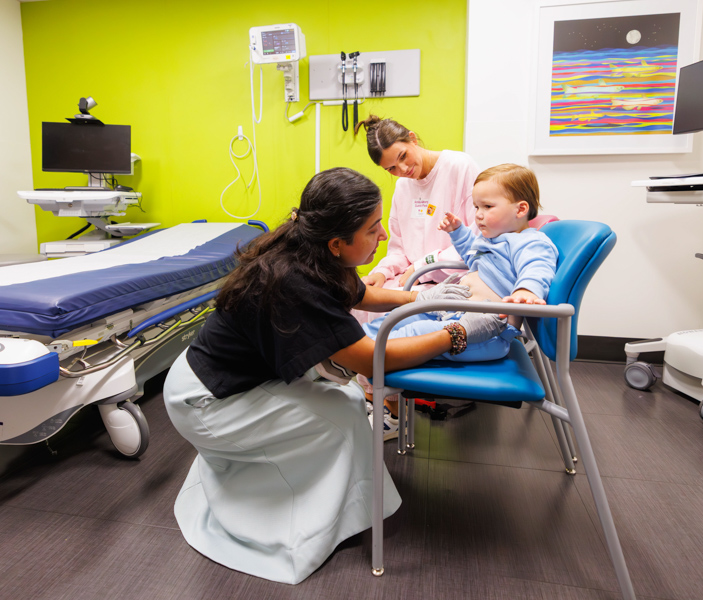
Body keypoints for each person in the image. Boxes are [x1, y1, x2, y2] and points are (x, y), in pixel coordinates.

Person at [162, 167, 506, 585]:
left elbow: (360, 293)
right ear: (338, 242)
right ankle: (289, 521)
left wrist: (419, 297)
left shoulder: (313, 250)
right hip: (207, 402)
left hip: (219, 379)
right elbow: (373, 360)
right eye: (373, 228)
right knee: (343, 414)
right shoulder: (295, 282)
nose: (382, 237)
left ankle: (328, 499)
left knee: (344, 402)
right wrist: (456, 334)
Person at [353, 115, 481, 431]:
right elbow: (398, 247)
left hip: (454, 276)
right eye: (392, 169)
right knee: (360, 302)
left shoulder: (459, 167)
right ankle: (374, 400)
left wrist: (422, 264)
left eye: (403, 157)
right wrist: (382, 272)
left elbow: (476, 240)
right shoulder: (402, 188)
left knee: (387, 312)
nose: (403, 170)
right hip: (415, 278)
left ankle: (391, 410)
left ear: (412, 139)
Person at [362, 163, 558, 362]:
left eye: (487, 206)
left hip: (486, 334)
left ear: (521, 209)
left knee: (414, 330)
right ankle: (353, 346)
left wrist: (526, 291)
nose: (479, 214)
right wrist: (458, 233)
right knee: (397, 318)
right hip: (454, 316)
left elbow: (537, 268)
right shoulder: (493, 240)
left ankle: (369, 356)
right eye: (476, 207)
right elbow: (473, 257)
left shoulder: (531, 242)